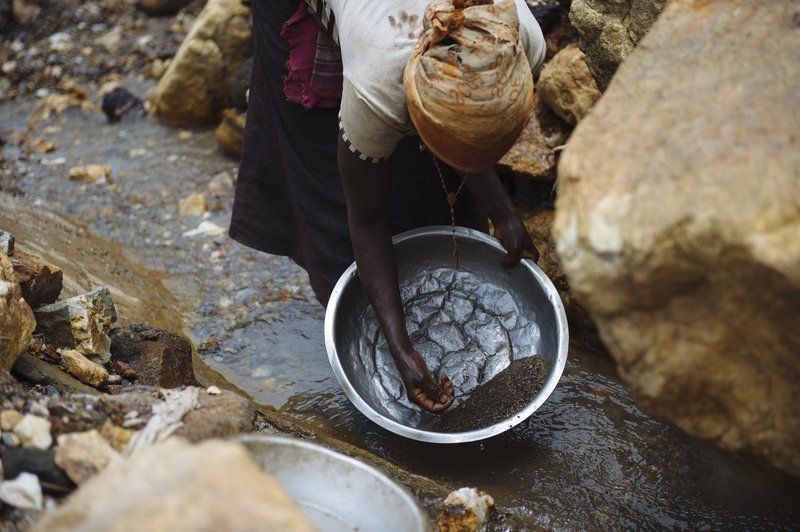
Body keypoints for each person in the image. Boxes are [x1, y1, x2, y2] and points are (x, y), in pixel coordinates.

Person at [230, 0, 546, 413]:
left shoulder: (521, 39)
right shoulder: (377, 79)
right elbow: (365, 219)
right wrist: (400, 349)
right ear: (416, 100)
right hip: (338, 25)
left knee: (430, 182)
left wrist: (502, 212)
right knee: (335, 191)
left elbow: (468, 135)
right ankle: (365, 322)